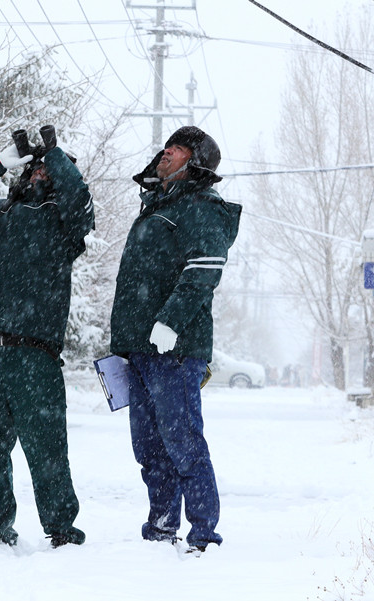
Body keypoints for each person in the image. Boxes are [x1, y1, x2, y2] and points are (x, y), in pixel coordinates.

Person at [0, 129, 94, 548]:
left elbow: (82, 204)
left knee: (47, 449)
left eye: (47, 170)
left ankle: (62, 530)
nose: (39, 173)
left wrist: (56, 156)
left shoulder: (65, 227)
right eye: (34, 168)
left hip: (35, 355)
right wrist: (0, 159)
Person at [109, 126, 241, 556]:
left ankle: (204, 533)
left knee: (182, 440)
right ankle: (161, 527)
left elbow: (203, 270)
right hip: (141, 349)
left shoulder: (202, 206)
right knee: (149, 447)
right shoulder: (154, 209)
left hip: (174, 349)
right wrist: (126, 341)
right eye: (166, 146)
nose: (166, 151)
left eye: (178, 147)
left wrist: (169, 323)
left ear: (195, 161)